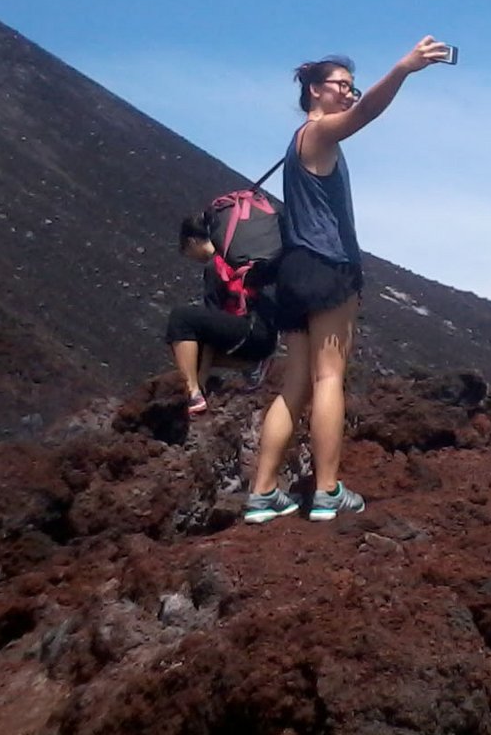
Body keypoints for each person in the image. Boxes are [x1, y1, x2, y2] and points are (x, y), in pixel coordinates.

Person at [245, 38, 449, 524]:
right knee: (328, 376)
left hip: (294, 272)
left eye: (352, 87)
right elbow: (367, 116)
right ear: (315, 91)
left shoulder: (300, 142)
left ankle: (262, 493)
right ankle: (328, 491)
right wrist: (402, 69)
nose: (349, 94)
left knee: (294, 383)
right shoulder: (317, 135)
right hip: (326, 266)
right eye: (341, 86)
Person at [164, 213, 278, 416]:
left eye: (186, 250)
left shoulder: (215, 266)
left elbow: (209, 337)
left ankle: (192, 393)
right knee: (190, 349)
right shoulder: (233, 257)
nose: (189, 256)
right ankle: (253, 364)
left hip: (251, 331)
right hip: (264, 333)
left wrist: (200, 384)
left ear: (192, 242)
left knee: (180, 319)